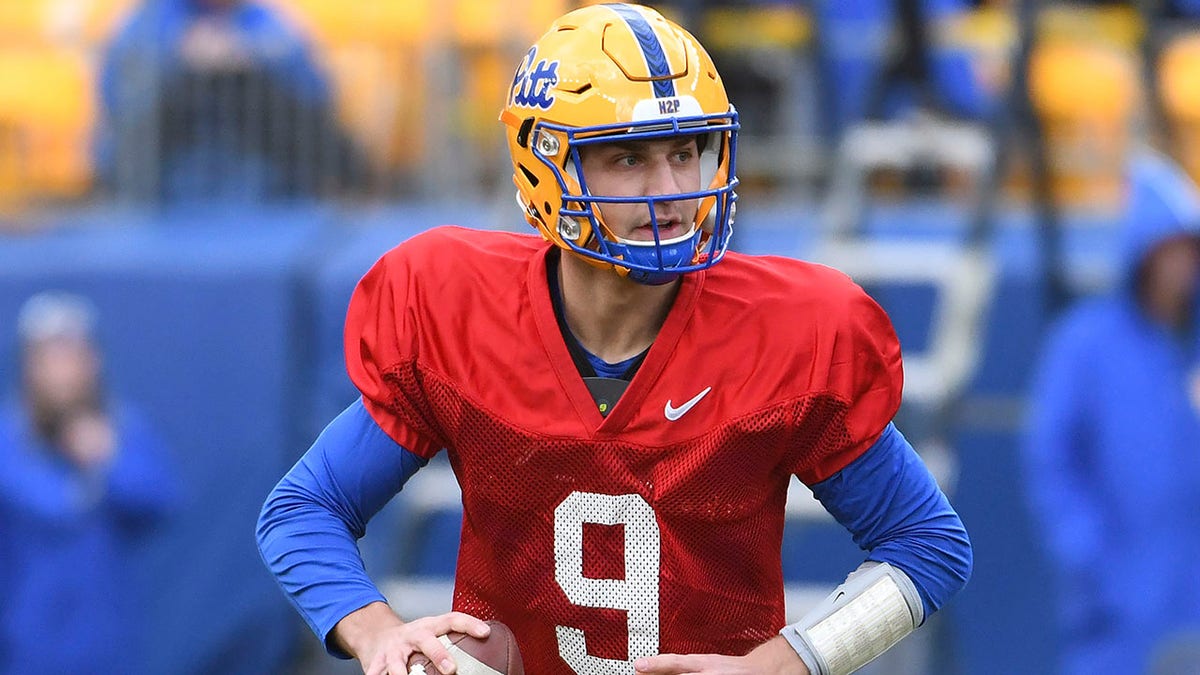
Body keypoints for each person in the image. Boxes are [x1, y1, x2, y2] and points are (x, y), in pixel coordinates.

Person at [257, 5, 972, 674]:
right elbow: (302, 509)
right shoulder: (456, 308)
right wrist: (375, 627)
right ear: (546, 163)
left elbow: (929, 544)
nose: (670, 190)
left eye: (687, 151)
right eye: (628, 158)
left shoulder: (789, 331)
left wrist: (784, 662)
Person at [1022, 150, 1200, 675]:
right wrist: (1091, 558)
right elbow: (1051, 459)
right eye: (1172, 252)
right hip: (1114, 613)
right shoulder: (1085, 344)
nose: (1183, 267)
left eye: (1190, 251)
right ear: (1144, 255)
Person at [0, 291, 178, 675]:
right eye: (49, 358)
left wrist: (109, 461)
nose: (62, 373)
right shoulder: (7, 440)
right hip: (25, 654)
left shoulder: (123, 430)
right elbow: (49, 504)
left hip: (107, 651)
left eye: (71, 356)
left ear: (92, 361)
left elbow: (161, 501)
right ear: (29, 366)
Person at [95, 0, 372, 203]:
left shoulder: (267, 21)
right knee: (194, 81)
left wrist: (246, 57)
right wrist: (181, 60)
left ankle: (360, 189)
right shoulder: (146, 23)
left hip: (267, 186)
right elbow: (119, 103)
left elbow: (316, 95)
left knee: (246, 82)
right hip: (162, 188)